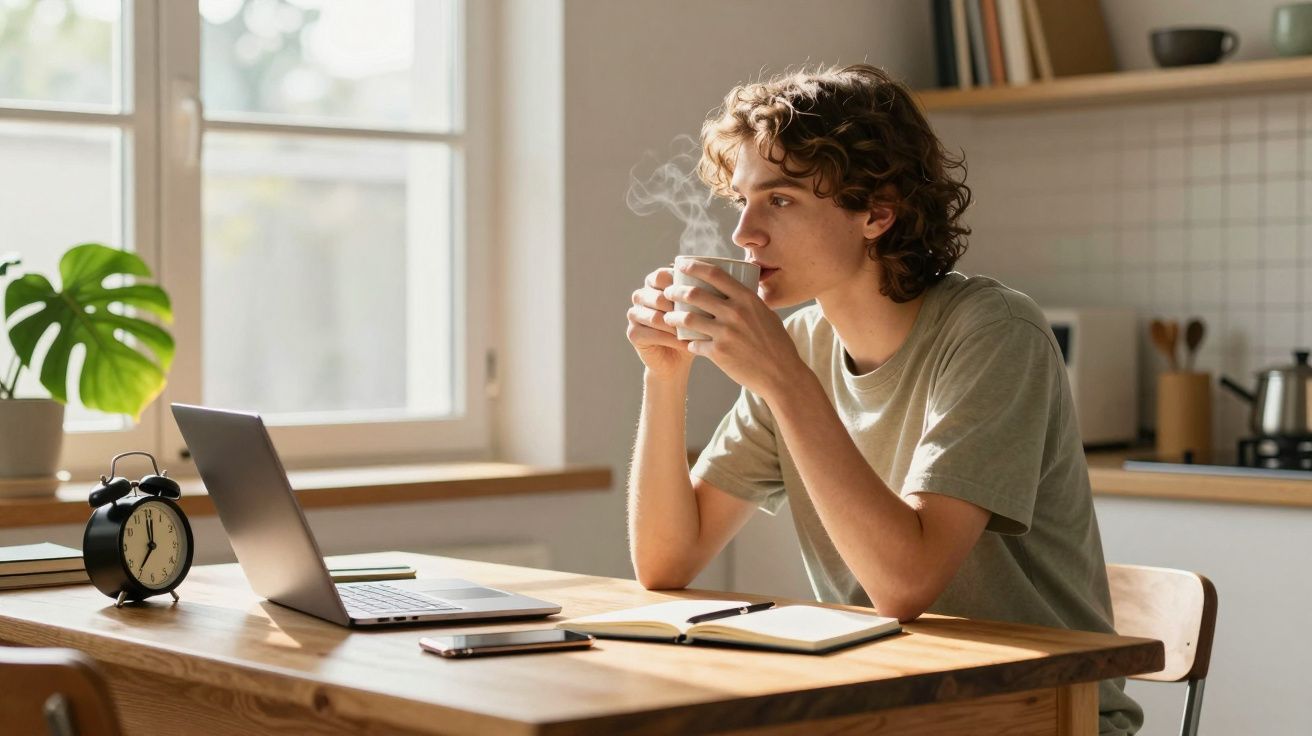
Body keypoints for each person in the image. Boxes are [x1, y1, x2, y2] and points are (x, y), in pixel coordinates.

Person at [624, 64, 1142, 735]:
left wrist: (783, 380)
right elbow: (666, 563)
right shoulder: (802, 344)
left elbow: (904, 586)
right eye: (741, 202)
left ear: (877, 212)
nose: (744, 234)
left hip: (1042, 715)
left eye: (779, 201)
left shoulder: (993, 332)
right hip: (892, 709)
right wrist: (663, 377)